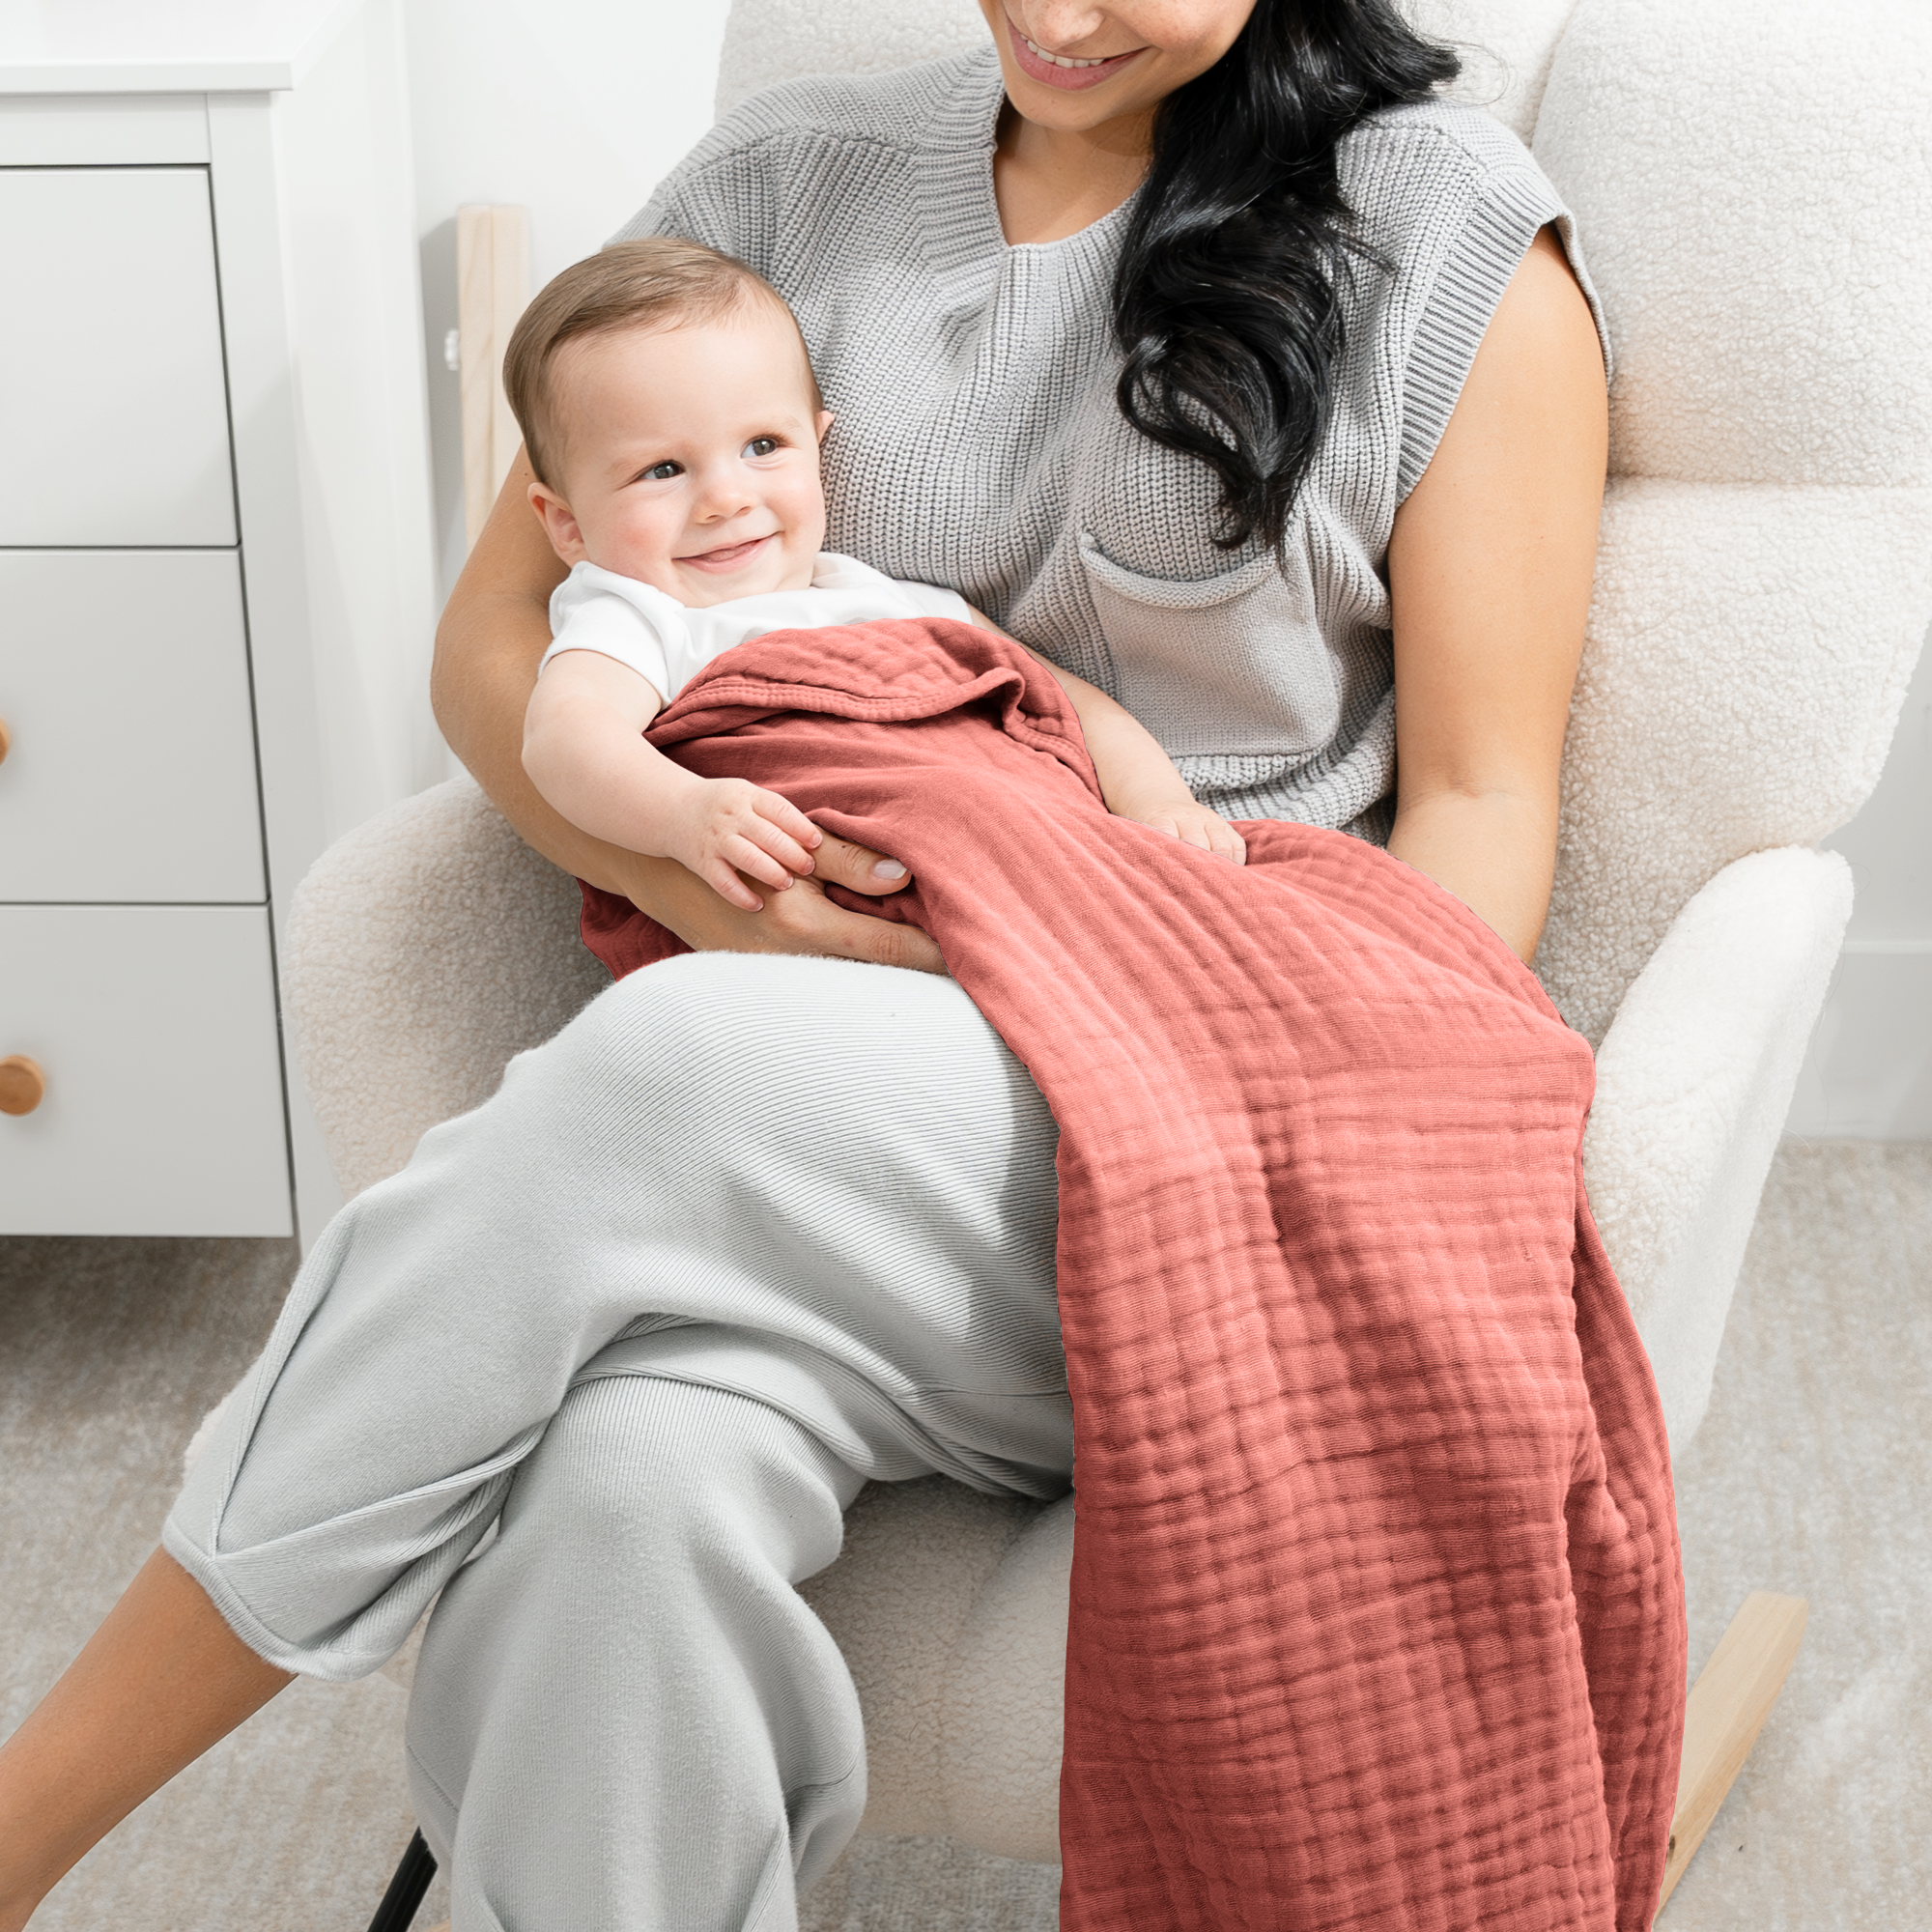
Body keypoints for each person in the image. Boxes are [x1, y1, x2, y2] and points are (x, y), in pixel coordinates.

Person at [0, 2, 1615, 1927]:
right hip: (822, 1133)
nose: (1056, 9)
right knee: (616, 1500)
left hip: (1201, 1088)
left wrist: (1280, 1127)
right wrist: (711, 897)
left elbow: (1482, 812)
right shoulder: (781, 187)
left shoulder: (1453, 250)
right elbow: (498, 651)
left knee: (679, 1073)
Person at [512, 236, 1246, 902]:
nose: (726, 499)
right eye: (662, 469)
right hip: (831, 894)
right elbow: (568, 738)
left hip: (1027, 859)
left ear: (817, 444)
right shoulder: (641, 616)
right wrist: (685, 816)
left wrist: (1158, 805)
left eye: (764, 445)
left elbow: (1072, 705)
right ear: (568, 526)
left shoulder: (881, 596)